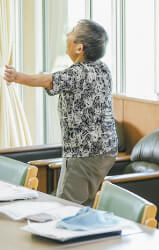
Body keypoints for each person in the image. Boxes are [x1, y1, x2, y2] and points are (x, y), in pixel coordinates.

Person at [4, 19, 118, 206]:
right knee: (86, 204)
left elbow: (49, 80)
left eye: (72, 32)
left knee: (66, 206)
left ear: (79, 48)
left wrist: (16, 77)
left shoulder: (78, 73)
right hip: (106, 151)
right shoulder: (103, 68)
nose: (67, 36)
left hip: (84, 152)